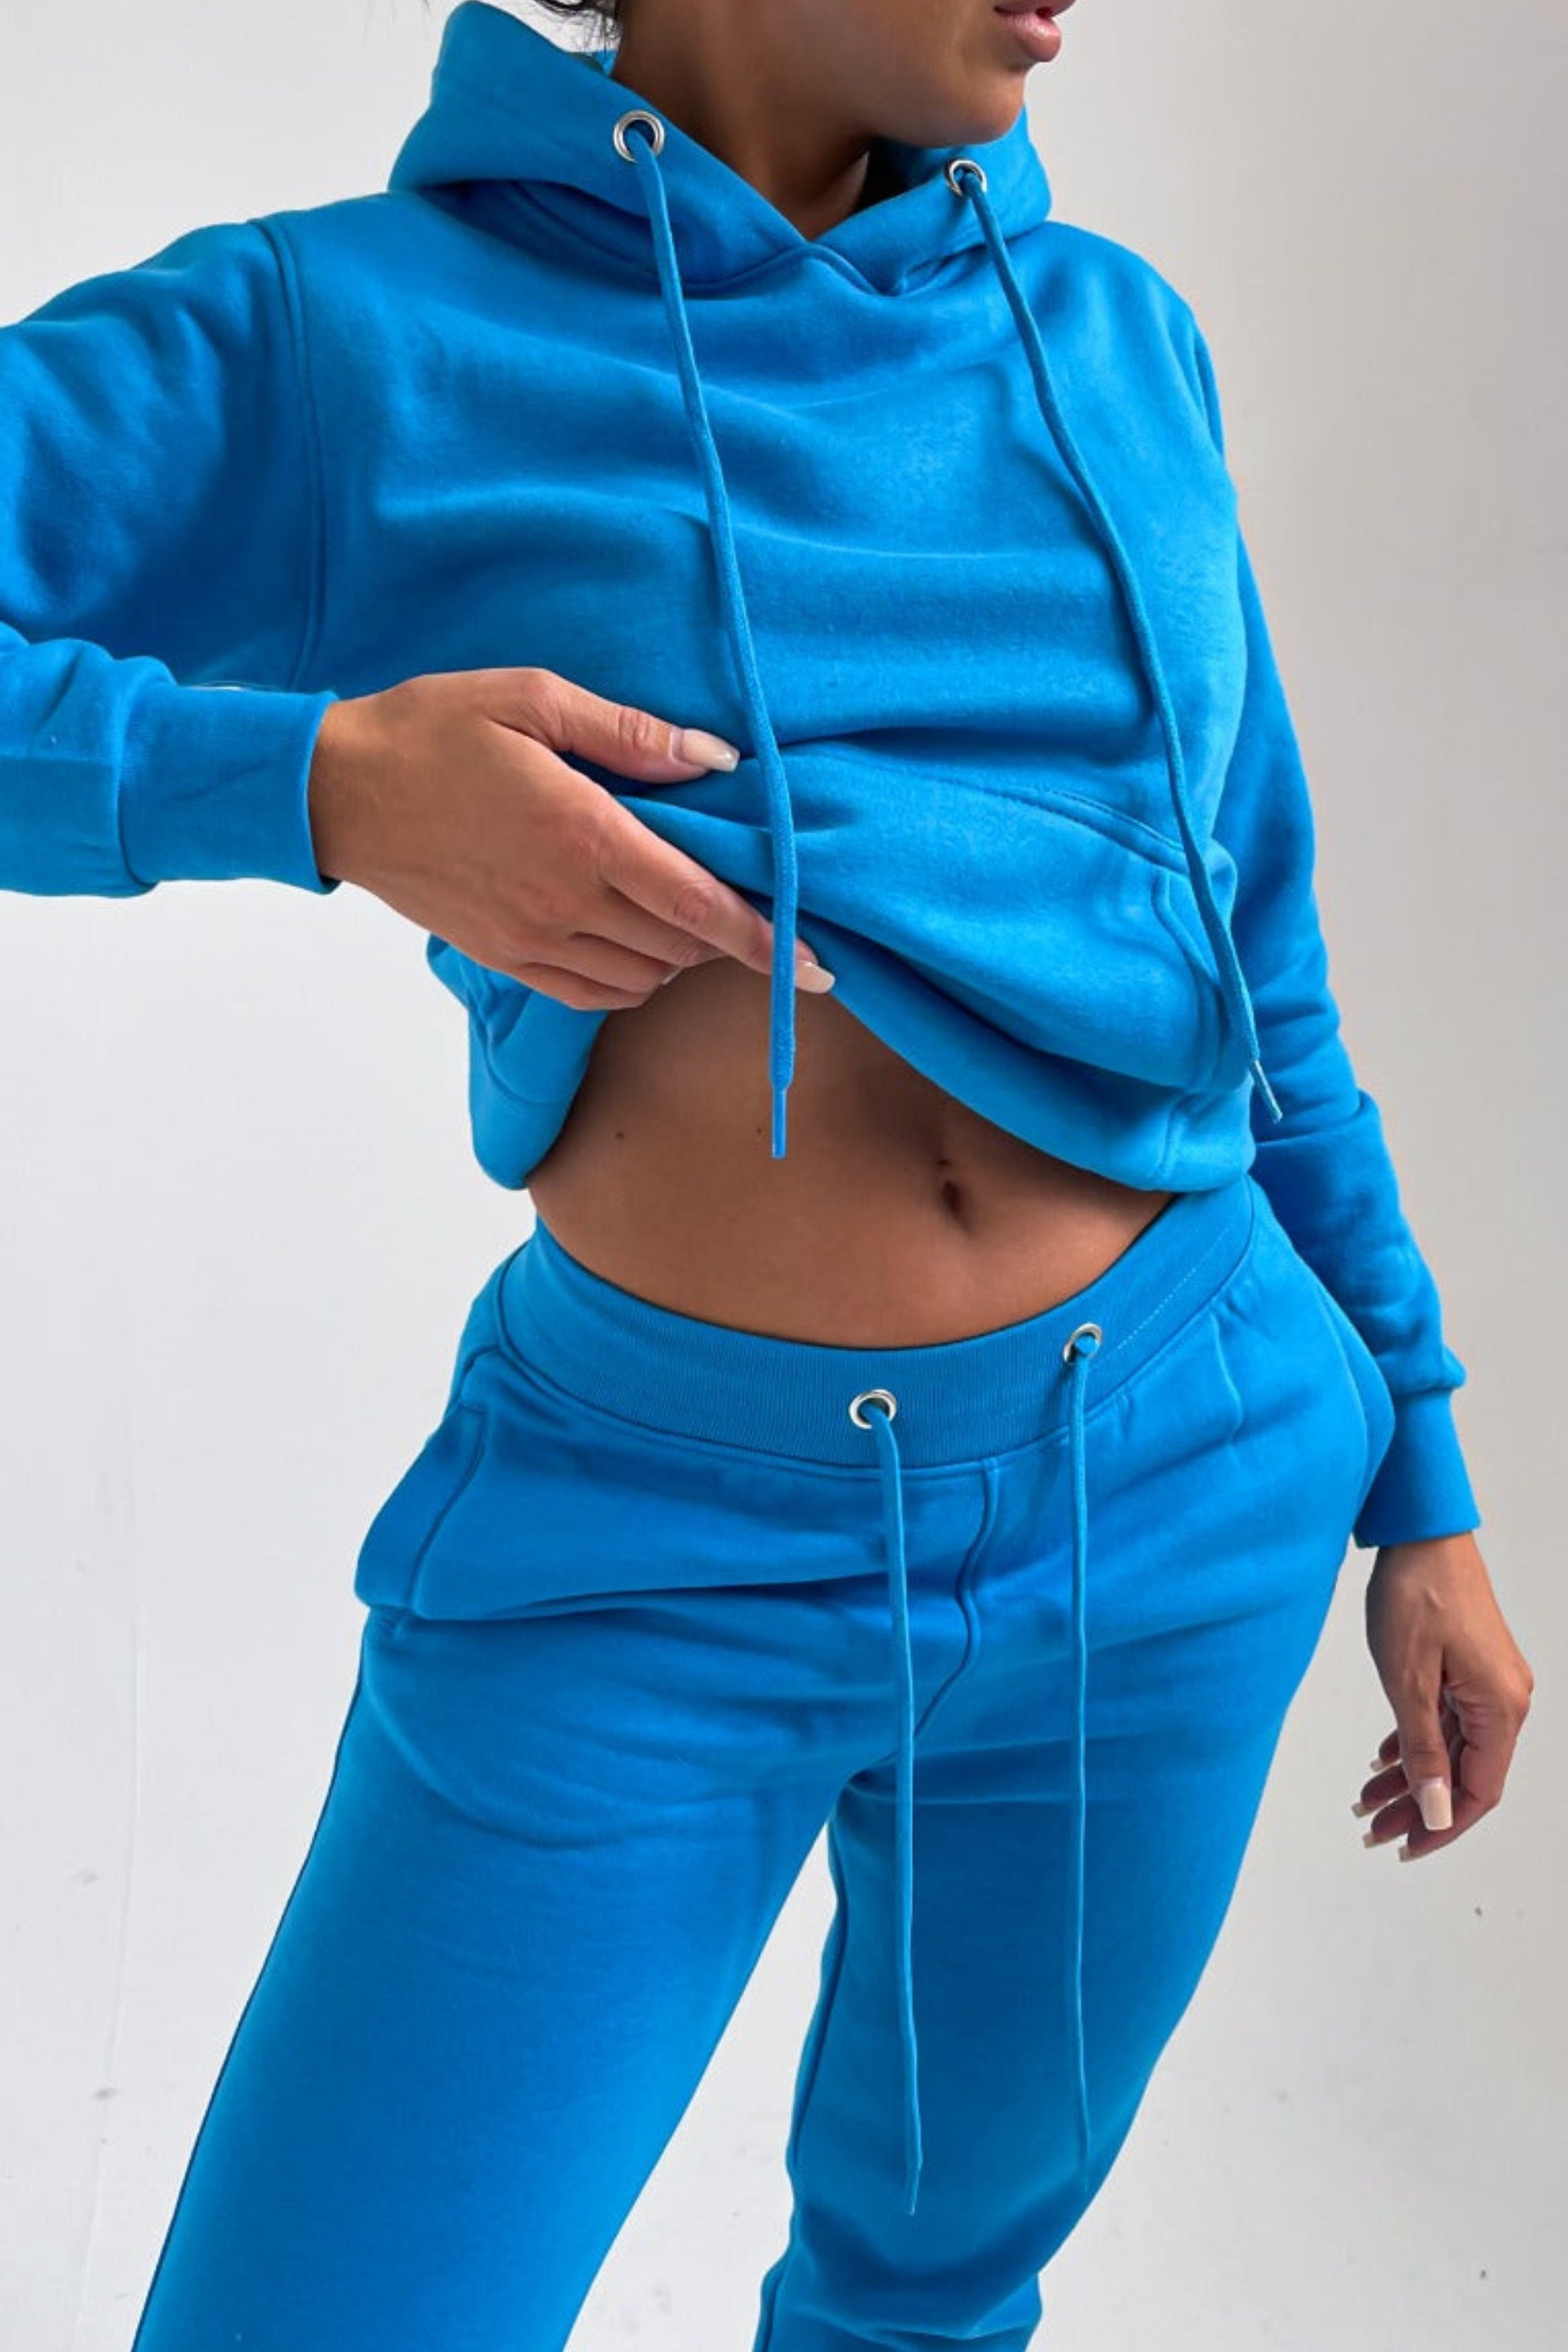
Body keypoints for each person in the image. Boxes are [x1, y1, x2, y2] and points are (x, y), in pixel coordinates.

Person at [1, 1, 1534, 2344]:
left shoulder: (1119, 340)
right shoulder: (352, 337)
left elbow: (1258, 953)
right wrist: (315, 784)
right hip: (645, 1541)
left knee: (928, 2299)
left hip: (1184, 1480)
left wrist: (1421, 1475)